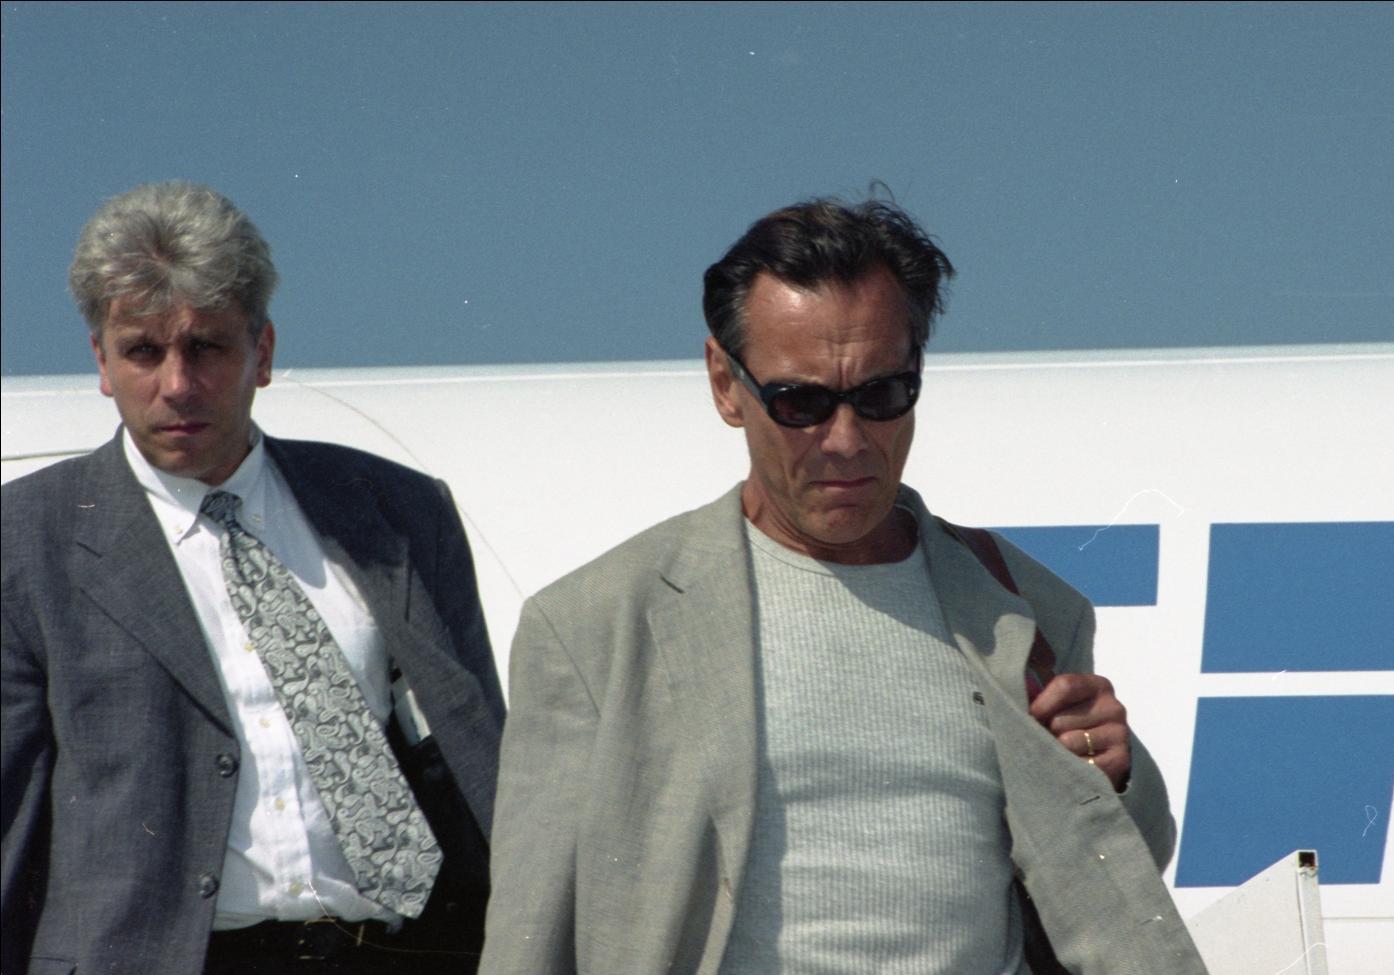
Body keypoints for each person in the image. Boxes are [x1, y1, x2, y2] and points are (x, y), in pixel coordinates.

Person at [481, 197, 1206, 973]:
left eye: (881, 395)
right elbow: (530, 936)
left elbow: (1111, 887)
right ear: (724, 383)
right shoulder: (595, 626)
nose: (846, 440)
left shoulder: (1024, 604)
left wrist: (1114, 774)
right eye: (801, 402)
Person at [1, 182, 505, 975]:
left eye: (206, 347)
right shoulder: (27, 539)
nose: (177, 383)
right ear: (101, 361)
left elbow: (485, 758)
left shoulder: (398, 510)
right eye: (143, 351)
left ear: (262, 353)